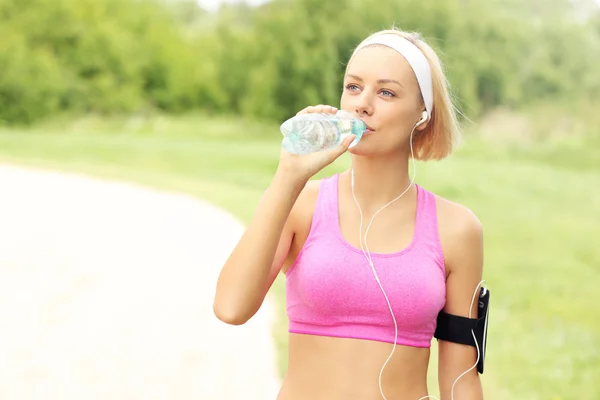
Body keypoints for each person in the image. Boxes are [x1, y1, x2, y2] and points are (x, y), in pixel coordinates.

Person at [213, 27, 486, 400]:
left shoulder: (457, 229)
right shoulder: (301, 204)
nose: (362, 104)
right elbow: (230, 307)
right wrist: (288, 176)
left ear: (423, 113)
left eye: (386, 92)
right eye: (353, 87)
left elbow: (461, 381)